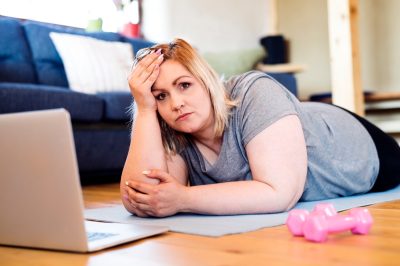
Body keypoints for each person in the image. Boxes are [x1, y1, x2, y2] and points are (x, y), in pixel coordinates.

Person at [121, 38, 400, 218]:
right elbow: (143, 197)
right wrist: (144, 109)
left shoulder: (255, 91)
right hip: (293, 122)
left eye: (184, 85)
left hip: (357, 145)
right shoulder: (169, 126)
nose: (176, 103)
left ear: (205, 80)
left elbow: (279, 192)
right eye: (160, 96)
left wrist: (183, 198)